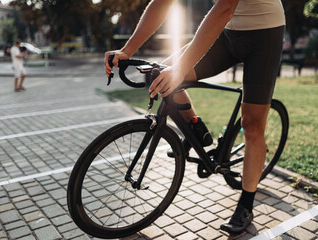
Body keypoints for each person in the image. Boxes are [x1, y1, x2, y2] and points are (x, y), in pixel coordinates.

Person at [105, 0, 285, 234]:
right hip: (228, 33)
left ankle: (246, 204)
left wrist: (179, 69)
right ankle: (196, 127)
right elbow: (161, 3)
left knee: (251, 124)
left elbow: (223, 8)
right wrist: (127, 50)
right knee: (158, 75)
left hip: (264, 34)